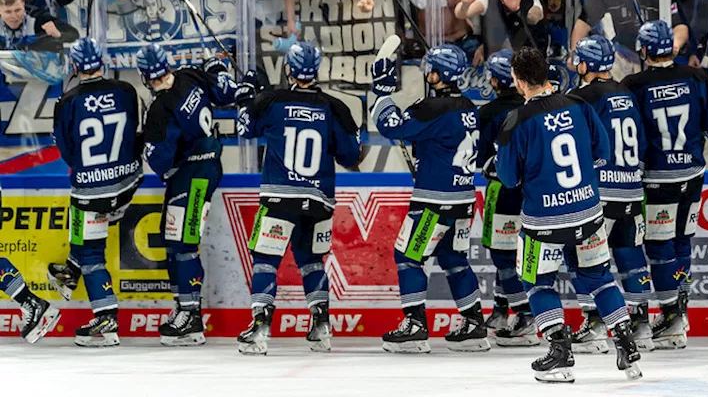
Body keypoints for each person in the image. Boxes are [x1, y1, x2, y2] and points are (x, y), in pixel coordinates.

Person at [495, 46, 642, 383]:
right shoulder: (579, 105)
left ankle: (560, 355)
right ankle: (626, 342)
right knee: (599, 277)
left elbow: (507, 178)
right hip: (589, 213)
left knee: (537, 281)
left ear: (517, 81)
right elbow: (602, 153)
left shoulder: (516, 120)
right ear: (547, 73)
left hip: (543, 222)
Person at [235, 42, 363, 355]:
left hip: (280, 198)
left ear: (289, 69)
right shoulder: (335, 107)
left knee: (266, 259)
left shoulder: (272, 100)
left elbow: (245, 129)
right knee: (311, 260)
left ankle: (260, 327)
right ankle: (322, 327)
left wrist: (245, 97)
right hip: (319, 200)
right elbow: (351, 155)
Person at [371, 44, 491, 354]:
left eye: (429, 69)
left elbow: (390, 126)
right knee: (453, 259)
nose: (426, 73)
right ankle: (475, 323)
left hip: (433, 203)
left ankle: (415, 325)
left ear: (436, 74)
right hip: (464, 201)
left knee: (408, 258)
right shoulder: (468, 106)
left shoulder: (431, 107)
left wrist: (382, 93)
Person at [623, 19, 708, 349]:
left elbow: (631, 136)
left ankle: (669, 316)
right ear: (673, 48)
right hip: (693, 174)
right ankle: (679, 311)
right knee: (682, 243)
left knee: (658, 248)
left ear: (643, 51)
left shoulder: (634, 85)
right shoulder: (697, 77)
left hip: (657, 178)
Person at [138, 44, 238, 346]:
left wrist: (142, 141)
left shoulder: (159, 109)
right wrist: (217, 68)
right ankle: (184, 306)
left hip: (194, 174)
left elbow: (159, 160)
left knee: (184, 242)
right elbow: (225, 93)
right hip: (202, 169)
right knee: (172, 238)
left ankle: (192, 317)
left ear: (145, 76)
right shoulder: (190, 75)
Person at [47, 39, 143, 347]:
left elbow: (66, 150)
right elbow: (134, 129)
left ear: (75, 67)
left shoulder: (67, 101)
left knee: (92, 251)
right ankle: (71, 270)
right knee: (89, 229)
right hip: (128, 184)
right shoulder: (126, 91)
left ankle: (106, 321)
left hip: (92, 190)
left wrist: (90, 170)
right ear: (101, 63)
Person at [567, 36, 654, 353]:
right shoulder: (627, 94)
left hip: (599, 194)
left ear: (585, 65)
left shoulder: (579, 98)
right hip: (631, 190)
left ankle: (593, 324)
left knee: (584, 259)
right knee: (631, 257)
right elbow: (641, 141)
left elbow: (577, 146)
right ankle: (642, 324)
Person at [475, 50, 539, 346]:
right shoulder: (533, 107)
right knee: (514, 253)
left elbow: (480, 158)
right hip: (532, 192)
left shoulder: (487, 113)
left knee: (502, 255)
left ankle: (525, 314)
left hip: (502, 190)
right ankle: (502, 309)